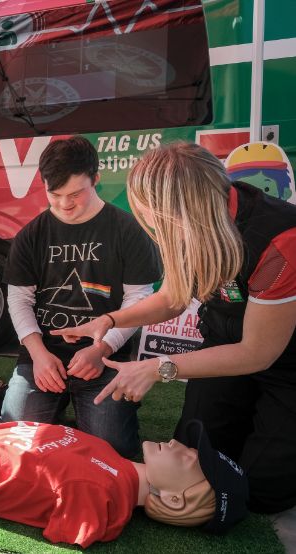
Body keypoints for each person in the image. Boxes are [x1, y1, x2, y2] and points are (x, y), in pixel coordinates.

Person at [53, 142, 296, 513]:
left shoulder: (280, 241)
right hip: (225, 339)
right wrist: (110, 319)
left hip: (286, 360)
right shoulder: (186, 225)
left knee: (260, 492)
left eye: (152, 215)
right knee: (194, 452)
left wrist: (156, 368)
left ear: (182, 209)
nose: (149, 222)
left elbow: (258, 353)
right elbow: (173, 297)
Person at [0, 136, 162, 458]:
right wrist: (38, 353)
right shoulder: (31, 235)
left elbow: (139, 299)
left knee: (113, 451)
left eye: (75, 194)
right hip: (42, 358)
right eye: (54, 194)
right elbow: (19, 300)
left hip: (104, 358)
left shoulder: (127, 229)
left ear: (96, 179)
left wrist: (101, 347)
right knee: (13, 440)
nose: (64, 204)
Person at [0, 419, 248, 548]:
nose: (174, 443)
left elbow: (70, 529)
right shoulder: (110, 457)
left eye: (187, 459)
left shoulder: (103, 500)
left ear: (174, 499)